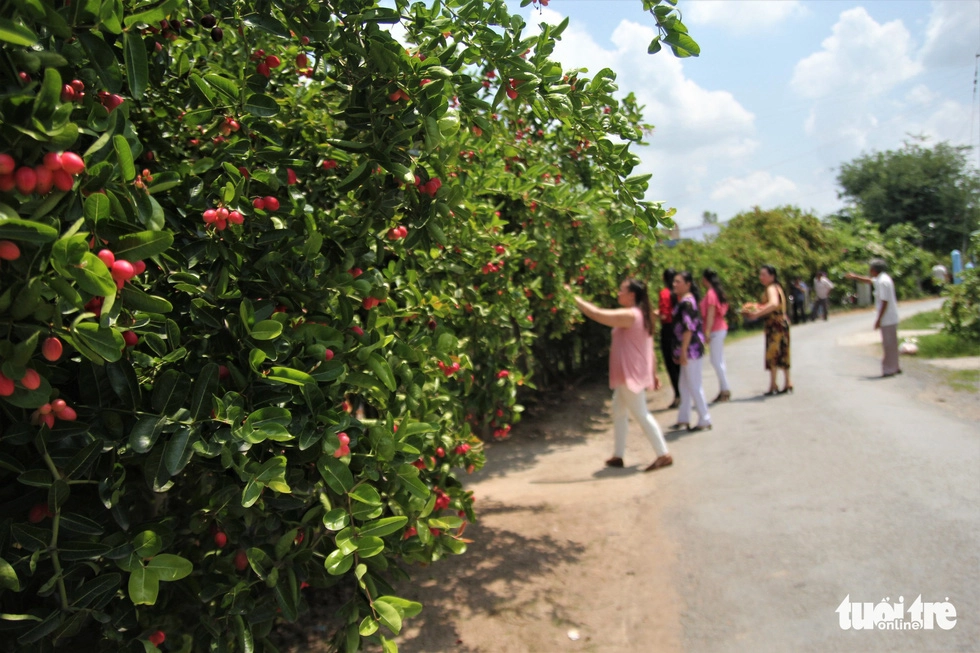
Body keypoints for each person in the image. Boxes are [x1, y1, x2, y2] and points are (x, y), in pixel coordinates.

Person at [572, 279, 673, 471]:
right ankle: (618, 456)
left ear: (632, 295)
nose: (618, 293)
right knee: (619, 410)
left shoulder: (631, 315)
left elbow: (597, 314)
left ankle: (663, 454)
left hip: (630, 373)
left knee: (641, 414)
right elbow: (649, 347)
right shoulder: (642, 314)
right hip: (629, 372)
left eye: (622, 290)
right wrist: (653, 372)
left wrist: (573, 297)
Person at [845, 259, 901, 377]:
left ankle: (889, 369)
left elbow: (884, 302)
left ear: (874, 270)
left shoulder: (883, 282)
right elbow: (870, 281)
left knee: (888, 344)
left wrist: (878, 319)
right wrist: (855, 277)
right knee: (891, 344)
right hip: (890, 317)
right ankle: (894, 366)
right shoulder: (882, 279)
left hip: (887, 317)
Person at [671, 271, 712, 431]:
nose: (675, 285)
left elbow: (688, 329)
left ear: (688, 284)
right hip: (689, 349)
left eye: (678, 282)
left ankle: (705, 418)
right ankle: (684, 417)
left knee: (694, 385)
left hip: (691, 350)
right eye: (674, 282)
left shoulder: (687, 303)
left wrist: (683, 351)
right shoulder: (685, 301)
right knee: (684, 385)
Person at [742, 264, 792, 395]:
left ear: (772, 276)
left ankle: (773, 384)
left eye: (764, 275)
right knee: (784, 352)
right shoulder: (777, 287)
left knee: (773, 353)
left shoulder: (771, 288)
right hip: (782, 323)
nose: (761, 277)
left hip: (774, 325)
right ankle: (787, 382)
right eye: (760, 274)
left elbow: (774, 304)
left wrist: (757, 313)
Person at [701, 269, 731, 403]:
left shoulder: (711, 294)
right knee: (718, 360)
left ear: (706, 280)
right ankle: (723, 388)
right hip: (720, 328)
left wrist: (707, 332)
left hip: (715, 329)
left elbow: (711, 314)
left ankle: (725, 388)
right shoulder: (716, 292)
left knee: (716, 360)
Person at [657, 269, 681, 409]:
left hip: (668, 330)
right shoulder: (679, 293)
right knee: (680, 364)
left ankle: (678, 395)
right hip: (679, 329)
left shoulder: (664, 293)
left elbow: (665, 316)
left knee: (671, 365)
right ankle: (684, 393)